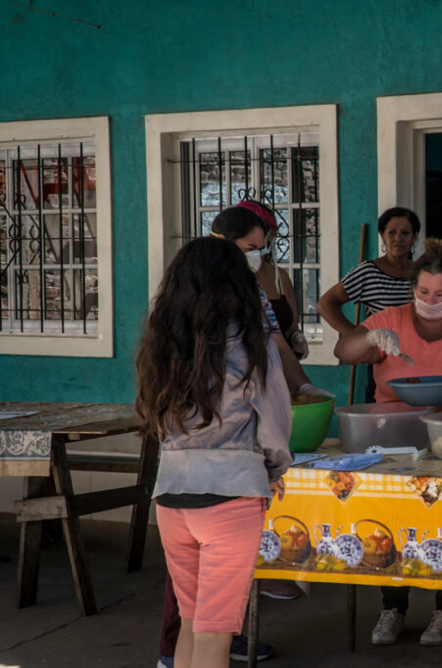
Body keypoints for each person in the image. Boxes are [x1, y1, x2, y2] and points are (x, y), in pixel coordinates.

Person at [335, 238, 442, 647]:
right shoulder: (390, 319)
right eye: (424, 292)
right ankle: (392, 608)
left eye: (440, 294)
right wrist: (371, 339)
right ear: (413, 288)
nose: (431, 300)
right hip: (394, 438)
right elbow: (344, 350)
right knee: (393, 522)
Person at [136, 237, 292, 668]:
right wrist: (273, 470)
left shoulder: (162, 345)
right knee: (214, 636)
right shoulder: (252, 344)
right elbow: (275, 425)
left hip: (172, 496)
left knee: (191, 624)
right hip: (230, 496)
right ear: (237, 283)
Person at [210, 204, 332, 399]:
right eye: (250, 249)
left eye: (260, 249)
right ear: (223, 242)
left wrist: (305, 387)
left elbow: (277, 342)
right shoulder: (200, 288)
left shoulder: (255, 290)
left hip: (257, 391)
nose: (256, 257)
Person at [318, 206, 420, 402]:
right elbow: (325, 304)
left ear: (414, 237)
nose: (398, 238)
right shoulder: (368, 271)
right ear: (382, 235)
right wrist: (359, 336)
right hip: (382, 359)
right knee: (383, 412)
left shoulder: (421, 273)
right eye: (392, 232)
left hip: (419, 358)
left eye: (405, 233)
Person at [237, 200, 310, 359]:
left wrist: (296, 337)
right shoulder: (226, 278)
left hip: (279, 363)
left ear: (270, 235)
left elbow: (291, 328)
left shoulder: (280, 278)